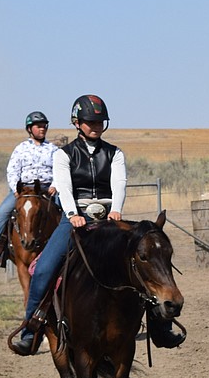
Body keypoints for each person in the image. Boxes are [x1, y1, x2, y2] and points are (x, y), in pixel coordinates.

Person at [10, 95, 127, 355]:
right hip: (74, 218)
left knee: (146, 257)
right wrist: (73, 213)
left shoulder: (115, 153)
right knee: (42, 270)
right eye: (89, 121)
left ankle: (161, 323)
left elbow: (119, 183)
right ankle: (31, 330)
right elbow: (63, 185)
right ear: (77, 122)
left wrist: (116, 210)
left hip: (109, 218)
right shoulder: (64, 155)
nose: (96, 125)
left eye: (99, 121)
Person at [0, 111, 58, 269]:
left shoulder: (53, 149)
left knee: (67, 214)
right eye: (38, 126)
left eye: (44, 126)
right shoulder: (20, 149)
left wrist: (55, 185)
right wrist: (15, 189)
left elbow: (60, 169)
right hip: (24, 190)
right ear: (30, 129)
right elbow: (12, 170)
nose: (42, 129)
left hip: (47, 190)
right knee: (1, 214)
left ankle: (72, 248)